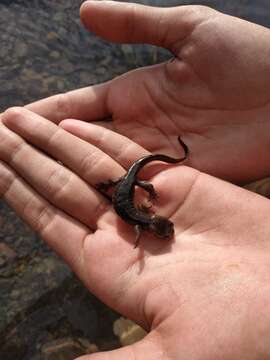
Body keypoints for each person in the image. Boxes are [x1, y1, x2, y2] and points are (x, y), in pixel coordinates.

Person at [1, 1, 270, 358]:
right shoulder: (140, 222)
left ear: (156, 225)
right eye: (164, 229)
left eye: (164, 230)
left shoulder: (142, 217)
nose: (163, 231)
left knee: (128, 173)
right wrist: (136, 207)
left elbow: (140, 227)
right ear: (153, 225)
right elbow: (139, 232)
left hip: (127, 186)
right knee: (125, 174)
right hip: (124, 185)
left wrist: (143, 196)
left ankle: (133, 176)